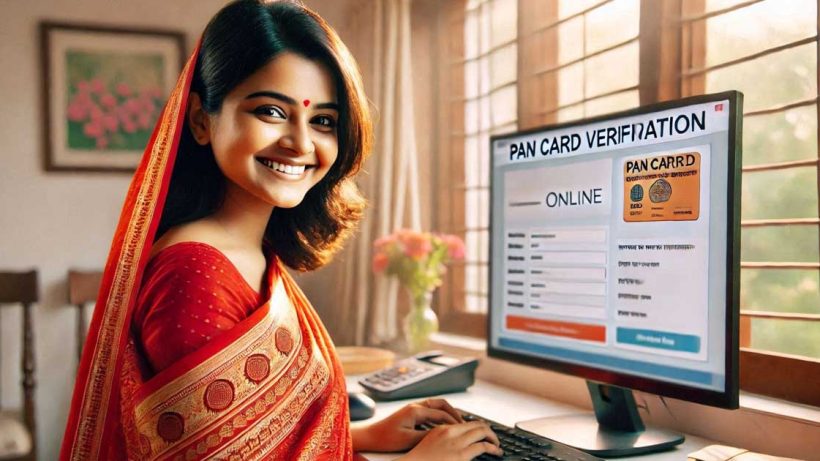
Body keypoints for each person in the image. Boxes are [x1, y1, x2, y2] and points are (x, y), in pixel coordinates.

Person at [60, 1, 503, 460]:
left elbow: (257, 439)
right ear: (200, 120)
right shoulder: (194, 273)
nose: (301, 143)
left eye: (323, 121)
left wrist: (361, 436)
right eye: (271, 111)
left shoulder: (248, 252)